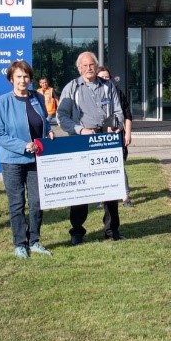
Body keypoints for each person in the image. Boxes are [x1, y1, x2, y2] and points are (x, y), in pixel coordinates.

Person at [57, 51, 126, 243]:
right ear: (79, 68)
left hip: (105, 140)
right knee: (81, 189)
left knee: (110, 187)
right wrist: (80, 130)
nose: (89, 68)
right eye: (85, 65)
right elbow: (61, 117)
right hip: (81, 142)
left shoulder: (108, 86)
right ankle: (77, 231)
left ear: (97, 66)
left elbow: (119, 111)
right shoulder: (72, 87)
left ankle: (112, 230)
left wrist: (116, 125)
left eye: (92, 65)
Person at [0, 61, 55, 258]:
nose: (23, 80)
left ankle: (34, 240)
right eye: (18, 77)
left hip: (36, 159)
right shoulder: (2, 102)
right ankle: (19, 243)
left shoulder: (38, 97)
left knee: (37, 201)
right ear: (11, 79)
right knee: (17, 203)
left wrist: (49, 131)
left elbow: (43, 122)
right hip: (12, 160)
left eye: (26, 76)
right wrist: (23, 146)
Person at [97, 65, 133, 207]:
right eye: (102, 77)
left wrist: (128, 133)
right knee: (101, 168)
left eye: (107, 77)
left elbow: (127, 114)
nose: (105, 79)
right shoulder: (93, 94)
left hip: (117, 136)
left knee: (119, 166)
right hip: (100, 136)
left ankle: (125, 197)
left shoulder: (118, 92)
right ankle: (103, 198)